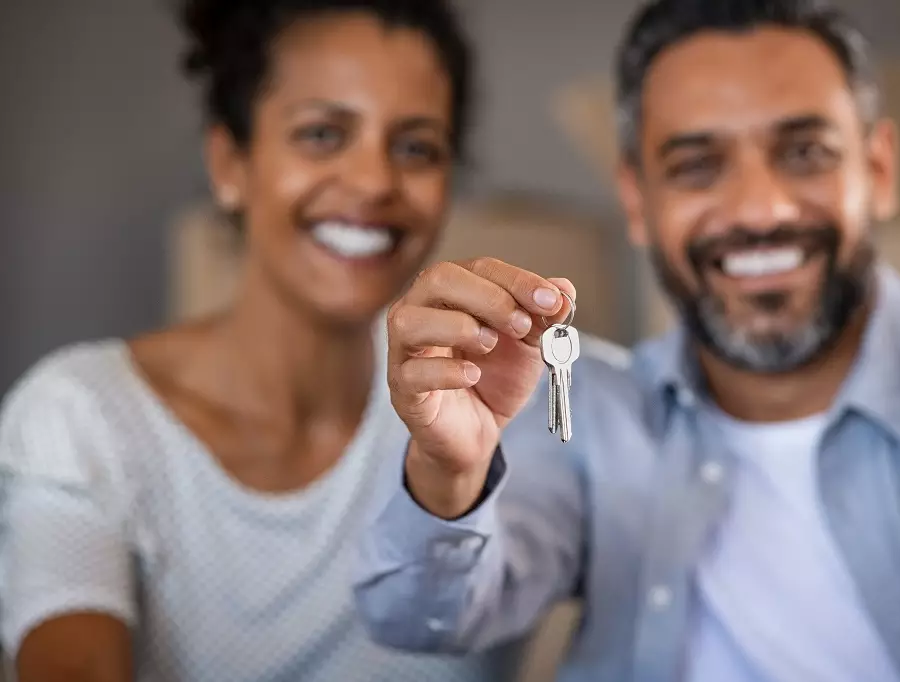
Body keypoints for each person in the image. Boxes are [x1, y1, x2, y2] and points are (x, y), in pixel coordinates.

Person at [352, 1, 900, 681]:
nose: (760, 209)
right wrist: (450, 473)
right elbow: (418, 618)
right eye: (696, 165)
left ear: (877, 170)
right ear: (638, 201)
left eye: (804, 153)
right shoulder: (589, 418)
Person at [0, 0, 526, 680]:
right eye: (321, 135)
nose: (372, 182)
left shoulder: (499, 402)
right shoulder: (82, 419)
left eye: (414, 147)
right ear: (230, 163)